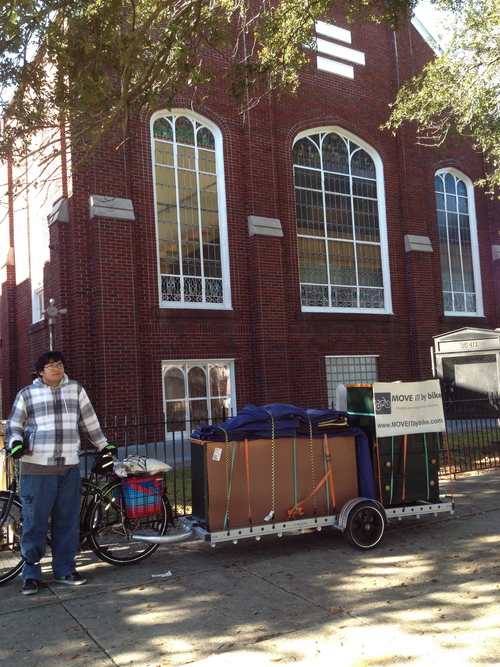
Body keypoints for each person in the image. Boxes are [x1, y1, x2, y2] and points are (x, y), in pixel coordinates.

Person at [5, 351, 116, 595]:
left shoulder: (76, 390)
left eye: (60, 364)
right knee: (35, 523)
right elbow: (14, 424)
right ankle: (31, 573)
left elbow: (89, 421)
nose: (57, 369)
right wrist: (14, 442)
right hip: (37, 468)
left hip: (68, 468)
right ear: (40, 371)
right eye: (51, 366)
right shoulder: (27, 394)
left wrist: (102, 444)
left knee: (67, 522)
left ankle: (65, 569)